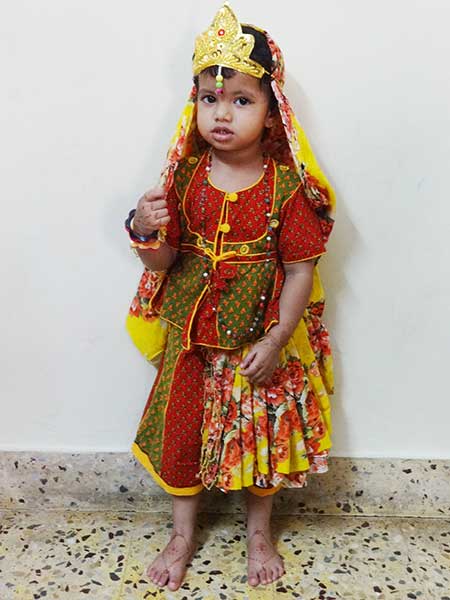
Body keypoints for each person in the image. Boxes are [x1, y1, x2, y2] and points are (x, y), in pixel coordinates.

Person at [124, 2, 336, 591]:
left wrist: (278, 338)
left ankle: (259, 533)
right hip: (191, 346)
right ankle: (181, 534)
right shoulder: (183, 179)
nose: (222, 113)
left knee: (259, 440)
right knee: (181, 436)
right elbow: (162, 263)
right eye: (209, 98)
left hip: (256, 346)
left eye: (242, 100)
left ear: (272, 115)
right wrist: (144, 231)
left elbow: (299, 270)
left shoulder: (286, 189)